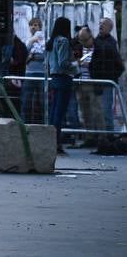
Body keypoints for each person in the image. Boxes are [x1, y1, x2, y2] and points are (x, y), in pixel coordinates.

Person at [47, 16, 75, 155]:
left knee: (53, 111)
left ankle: (50, 140)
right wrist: (76, 67)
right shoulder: (63, 41)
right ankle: (56, 142)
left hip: (54, 77)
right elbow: (64, 62)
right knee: (60, 112)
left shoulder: (52, 41)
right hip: (64, 78)